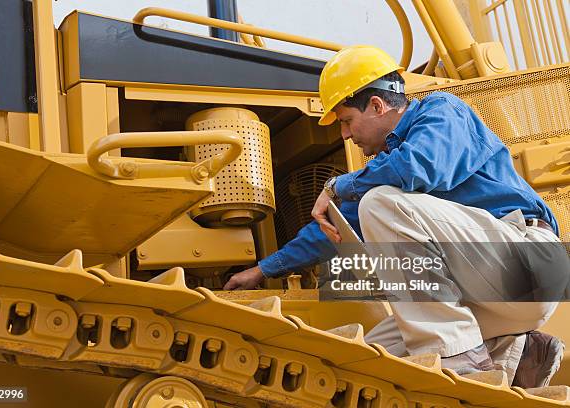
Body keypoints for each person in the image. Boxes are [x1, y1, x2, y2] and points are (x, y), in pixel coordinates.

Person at [223, 45, 566, 387]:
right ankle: (522, 354)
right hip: (490, 299)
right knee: (358, 363)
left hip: (527, 265)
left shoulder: (442, 111)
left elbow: (422, 166)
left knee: (378, 203)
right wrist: (263, 269)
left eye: (346, 121)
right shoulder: (387, 176)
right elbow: (332, 231)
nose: (344, 134)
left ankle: (461, 361)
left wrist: (338, 185)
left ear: (376, 105)